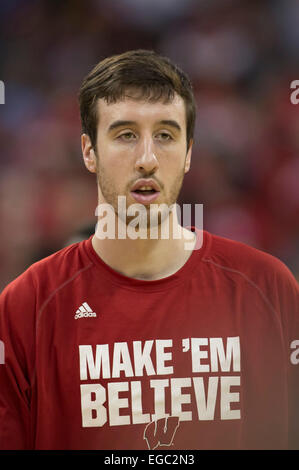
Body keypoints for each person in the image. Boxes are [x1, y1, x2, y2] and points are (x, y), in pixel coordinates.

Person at [0, 49, 298, 451]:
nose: (147, 159)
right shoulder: (26, 306)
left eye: (165, 135)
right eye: (125, 135)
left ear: (189, 152)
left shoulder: (267, 287)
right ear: (89, 151)